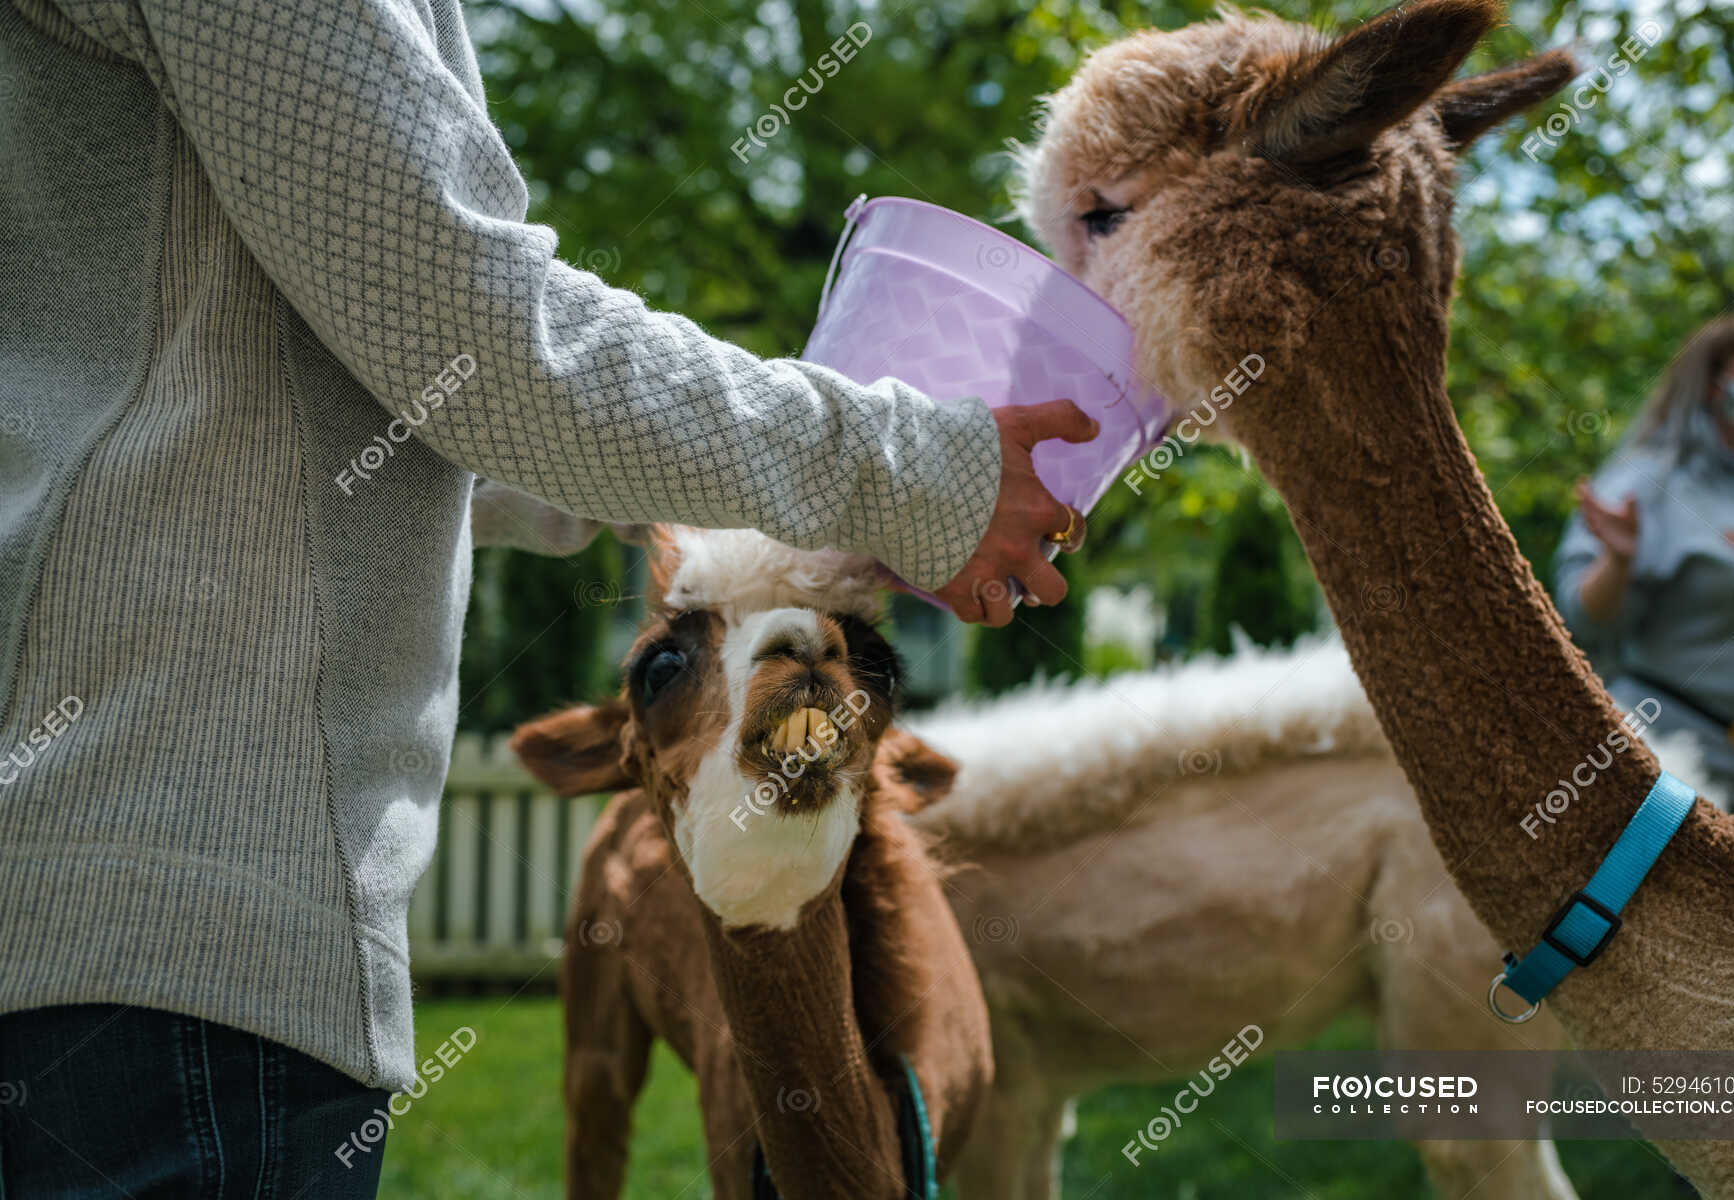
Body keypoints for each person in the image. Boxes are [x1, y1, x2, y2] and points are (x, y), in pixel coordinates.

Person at [0, 0, 1094, 1193]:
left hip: (118, 912)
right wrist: (909, 473)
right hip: (166, 937)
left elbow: (388, 398)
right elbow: (473, 330)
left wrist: (725, 518)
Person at [1553, 311, 1734, 838]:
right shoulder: (1646, 484)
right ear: (1714, 382)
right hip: (1691, 778)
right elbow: (1583, 624)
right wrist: (1617, 562)